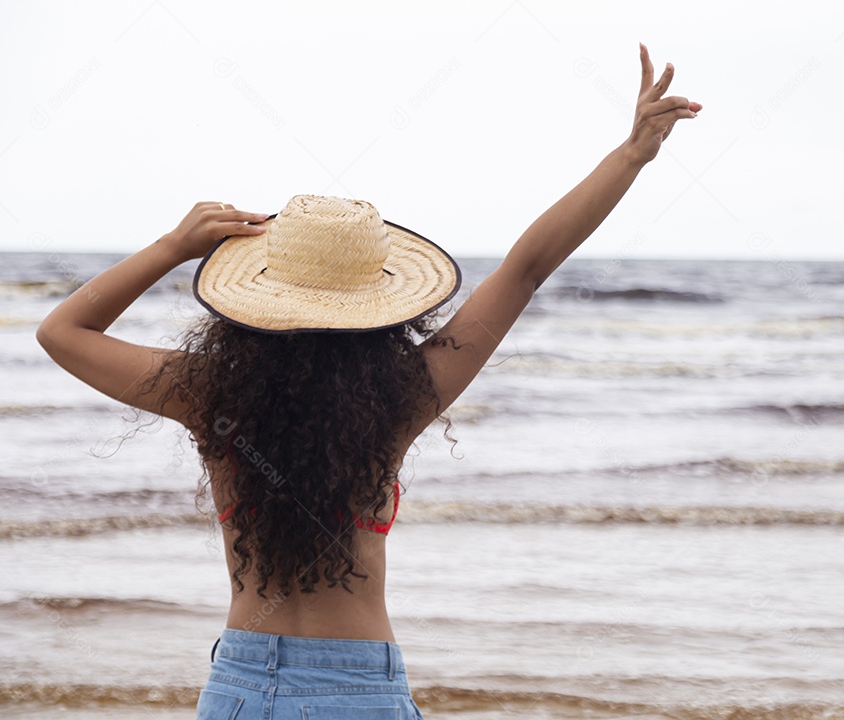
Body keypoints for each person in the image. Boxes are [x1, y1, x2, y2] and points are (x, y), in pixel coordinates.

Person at [36, 43, 700, 720]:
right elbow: (527, 269)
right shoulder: (399, 397)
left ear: (253, 299)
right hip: (357, 691)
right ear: (381, 307)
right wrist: (632, 154)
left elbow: (63, 333)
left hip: (238, 685)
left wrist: (171, 248)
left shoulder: (209, 392)